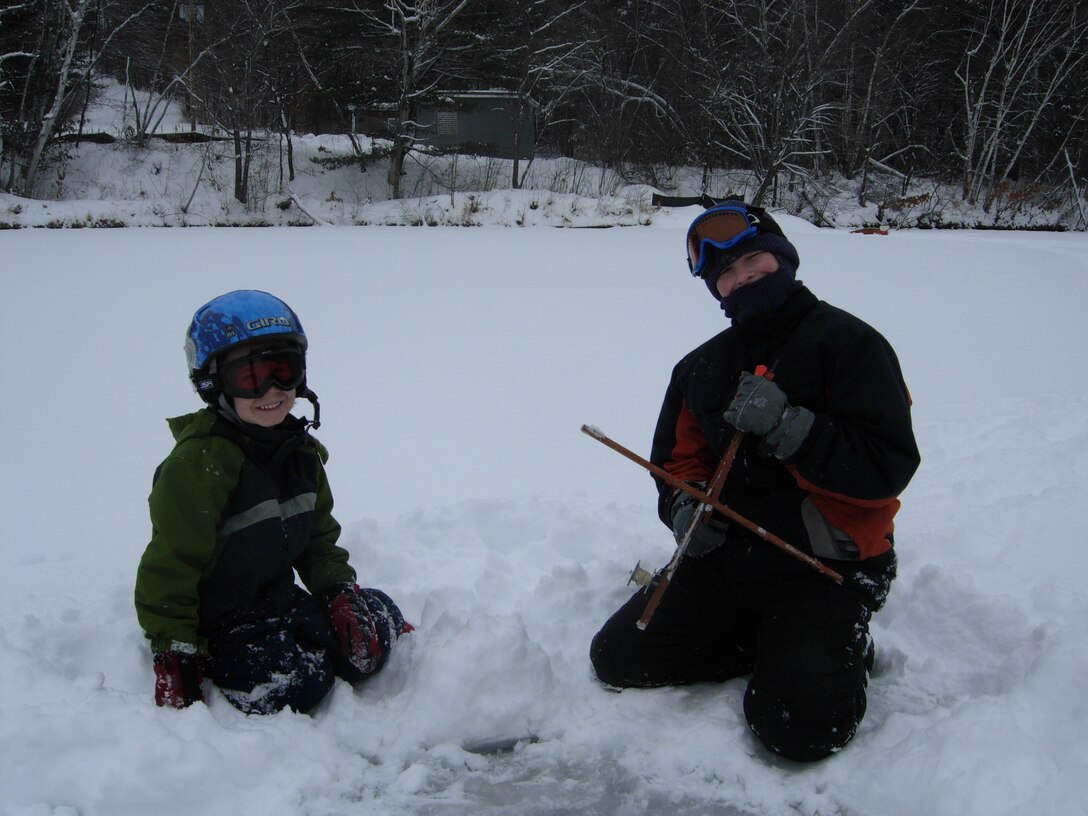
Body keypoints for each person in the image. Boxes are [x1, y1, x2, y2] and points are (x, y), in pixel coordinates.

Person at [589, 202, 919, 761]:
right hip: (728, 563)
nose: (741, 278)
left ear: (783, 258)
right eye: (725, 274)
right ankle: (771, 641)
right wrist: (683, 510)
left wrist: (796, 430)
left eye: (752, 260)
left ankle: (835, 642)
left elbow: (887, 468)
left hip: (825, 568)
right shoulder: (699, 367)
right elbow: (677, 464)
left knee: (799, 730)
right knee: (619, 658)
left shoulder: (852, 345)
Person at [135, 290, 412, 714]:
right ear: (214, 383)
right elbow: (169, 568)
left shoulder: (300, 454)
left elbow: (318, 541)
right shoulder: (197, 467)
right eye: (250, 378)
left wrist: (339, 593)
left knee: (370, 631)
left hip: (281, 602)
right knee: (293, 688)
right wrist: (175, 649)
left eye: (284, 371)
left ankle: (328, 639)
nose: (273, 390)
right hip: (223, 623)